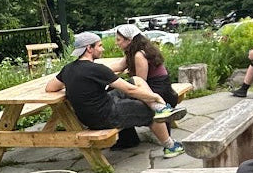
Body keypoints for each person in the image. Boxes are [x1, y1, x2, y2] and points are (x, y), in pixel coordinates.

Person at [45, 31, 186, 158]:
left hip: (89, 115)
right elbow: (129, 90)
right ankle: (170, 146)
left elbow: (50, 87)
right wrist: (155, 97)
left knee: (135, 80)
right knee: (149, 111)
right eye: (99, 46)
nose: (103, 49)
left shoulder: (68, 69)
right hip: (105, 116)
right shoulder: (97, 69)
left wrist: (76, 87)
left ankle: (160, 108)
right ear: (89, 48)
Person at [107, 23, 181, 151]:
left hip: (159, 90)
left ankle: (129, 139)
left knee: (119, 100)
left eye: (119, 40)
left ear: (129, 40)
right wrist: (95, 70)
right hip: (157, 87)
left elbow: (140, 82)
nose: (116, 43)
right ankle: (129, 138)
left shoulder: (139, 55)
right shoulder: (135, 51)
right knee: (117, 92)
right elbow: (119, 66)